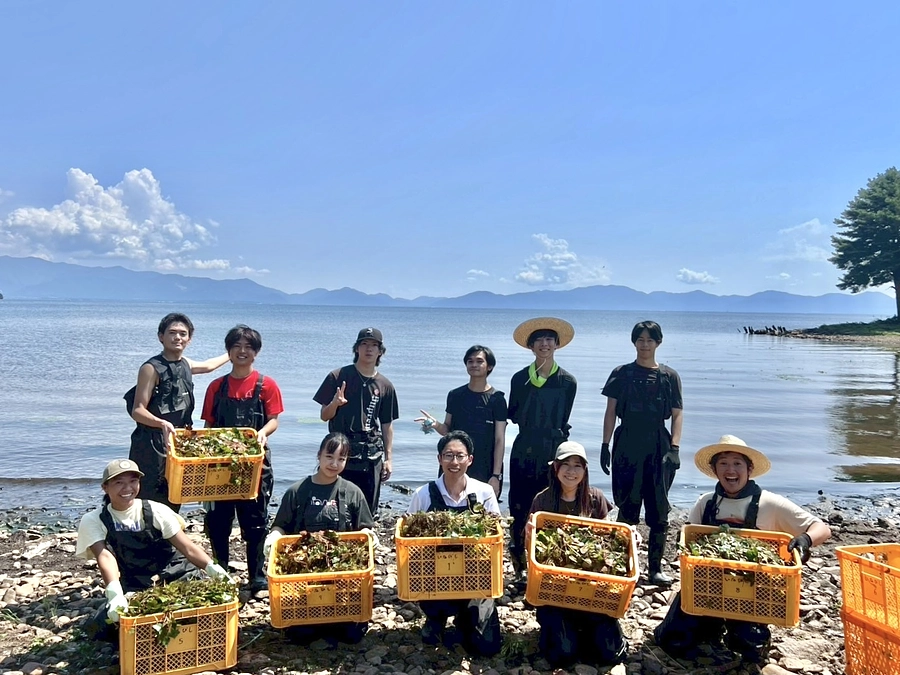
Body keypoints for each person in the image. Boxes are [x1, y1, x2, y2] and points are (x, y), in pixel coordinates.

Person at [653, 435, 832, 663]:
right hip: (707, 589)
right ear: (715, 470)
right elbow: (689, 538)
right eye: (724, 463)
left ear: (749, 469)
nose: (731, 470)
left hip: (753, 594)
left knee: (749, 649)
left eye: (737, 463)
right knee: (670, 640)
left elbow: (822, 528)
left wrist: (805, 539)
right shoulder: (705, 502)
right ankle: (711, 627)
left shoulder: (770, 503)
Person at [76, 458, 229, 643]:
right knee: (103, 628)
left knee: (198, 614)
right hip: (136, 583)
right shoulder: (94, 519)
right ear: (105, 487)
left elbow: (187, 547)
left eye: (133, 481)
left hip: (176, 575)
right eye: (119, 483)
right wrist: (115, 593)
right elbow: (105, 556)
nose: (127, 489)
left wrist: (214, 569)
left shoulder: (156, 510)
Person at [265, 432, 375, 645]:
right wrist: (274, 537)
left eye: (341, 459)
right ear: (319, 456)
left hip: (342, 573)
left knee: (351, 634)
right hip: (304, 573)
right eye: (329, 457)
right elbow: (281, 525)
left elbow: (365, 528)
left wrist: (370, 535)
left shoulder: (353, 492)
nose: (334, 464)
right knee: (301, 635)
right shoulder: (297, 491)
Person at [525, 441, 628, 668]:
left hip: (592, 589)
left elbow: (607, 541)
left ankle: (594, 630)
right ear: (556, 468)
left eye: (578, 466)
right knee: (563, 656)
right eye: (566, 465)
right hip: (553, 591)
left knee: (609, 655)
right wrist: (530, 534)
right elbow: (530, 551)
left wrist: (628, 540)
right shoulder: (542, 501)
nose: (571, 472)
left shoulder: (595, 499)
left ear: (585, 470)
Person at [201, 325, 283, 597]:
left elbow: (273, 421)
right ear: (229, 351)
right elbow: (208, 425)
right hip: (221, 467)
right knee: (218, 522)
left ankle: (256, 576)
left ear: (256, 352)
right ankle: (221, 571)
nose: (242, 351)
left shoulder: (266, 385)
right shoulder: (216, 386)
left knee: (256, 522)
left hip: (256, 466)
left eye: (248, 347)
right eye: (237, 346)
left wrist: (262, 433)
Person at [601, 320, 683, 585]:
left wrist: (675, 448)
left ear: (658, 343)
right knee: (627, 505)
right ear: (634, 342)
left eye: (650, 340)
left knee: (659, 508)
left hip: (659, 443)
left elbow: (677, 414)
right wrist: (605, 445)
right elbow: (611, 411)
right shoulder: (621, 373)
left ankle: (655, 569)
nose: (645, 344)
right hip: (627, 442)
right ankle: (623, 565)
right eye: (640, 339)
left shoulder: (669, 376)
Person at [406, 431, 502, 657]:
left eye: (460, 456)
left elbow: (496, 535)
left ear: (470, 459)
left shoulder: (484, 493)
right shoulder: (424, 494)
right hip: (435, 578)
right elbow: (408, 538)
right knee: (432, 636)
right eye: (448, 455)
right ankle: (435, 618)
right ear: (439, 459)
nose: (454, 462)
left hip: (476, 578)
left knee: (485, 646)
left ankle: (466, 616)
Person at [128, 313, 230, 511]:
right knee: (150, 496)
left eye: (183, 334)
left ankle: (168, 539)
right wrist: (162, 423)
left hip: (178, 440)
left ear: (189, 339)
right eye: (172, 333)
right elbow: (138, 410)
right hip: (152, 442)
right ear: (161, 336)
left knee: (175, 493)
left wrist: (232, 352)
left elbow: (208, 366)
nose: (178, 338)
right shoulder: (151, 368)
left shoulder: (186, 364)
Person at [507, 317, 577, 577]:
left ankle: (548, 561)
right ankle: (519, 565)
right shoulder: (519, 379)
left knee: (552, 502)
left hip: (554, 447)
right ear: (531, 346)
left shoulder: (568, 381)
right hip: (525, 446)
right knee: (519, 503)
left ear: (557, 345)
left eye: (549, 340)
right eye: (539, 340)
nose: (544, 344)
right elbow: (513, 414)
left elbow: (564, 417)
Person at [313, 327, 399, 515]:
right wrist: (335, 404)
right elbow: (324, 416)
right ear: (356, 348)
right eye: (364, 344)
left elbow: (387, 425)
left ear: (380, 352)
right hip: (340, 452)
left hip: (371, 455)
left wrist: (389, 459)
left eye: (374, 345)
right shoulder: (338, 376)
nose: (369, 349)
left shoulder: (385, 385)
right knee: (334, 506)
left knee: (366, 509)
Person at [415, 345, 508, 496]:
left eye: (479, 361)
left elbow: (499, 440)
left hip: (485, 465)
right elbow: (448, 430)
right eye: (470, 361)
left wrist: (496, 475)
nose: (474, 365)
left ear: (489, 366)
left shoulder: (497, 400)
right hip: (454, 462)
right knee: (447, 509)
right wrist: (435, 424)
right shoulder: (455, 395)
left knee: (482, 513)